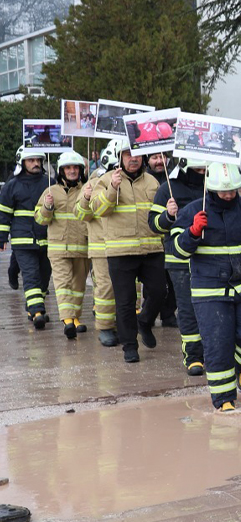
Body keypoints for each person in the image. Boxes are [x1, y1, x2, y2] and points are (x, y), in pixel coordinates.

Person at [173, 163, 241, 411]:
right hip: (210, 290)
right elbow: (177, 251)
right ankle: (224, 399)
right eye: (223, 191)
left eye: (233, 190)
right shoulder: (193, 211)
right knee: (218, 343)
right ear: (210, 188)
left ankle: (240, 368)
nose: (229, 195)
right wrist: (191, 233)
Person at [89, 145, 166, 363]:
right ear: (120, 157)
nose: (134, 159)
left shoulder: (153, 182)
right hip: (120, 251)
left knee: (160, 292)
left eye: (138, 155)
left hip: (151, 248)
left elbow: (159, 214)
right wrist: (112, 188)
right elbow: (99, 210)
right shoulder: (105, 180)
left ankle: (145, 322)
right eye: (128, 155)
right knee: (125, 301)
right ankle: (130, 346)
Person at [151, 158, 209, 376]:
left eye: (205, 168)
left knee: (213, 308)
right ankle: (193, 356)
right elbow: (153, 224)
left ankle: (215, 351)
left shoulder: (214, 185)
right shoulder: (168, 188)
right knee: (187, 309)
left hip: (211, 258)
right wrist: (167, 215)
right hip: (180, 260)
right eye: (198, 168)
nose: (202, 172)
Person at [35, 151, 89, 339]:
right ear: (61, 171)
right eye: (68, 168)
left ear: (81, 170)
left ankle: (75, 318)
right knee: (63, 285)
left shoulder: (87, 189)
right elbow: (40, 219)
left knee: (79, 286)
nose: (72, 171)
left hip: (82, 247)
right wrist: (47, 207)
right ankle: (67, 321)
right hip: (58, 249)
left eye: (75, 167)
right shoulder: (51, 191)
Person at [0, 148, 52, 330]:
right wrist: (2, 237)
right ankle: (38, 312)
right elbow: (4, 213)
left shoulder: (50, 184)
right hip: (22, 239)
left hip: (46, 238)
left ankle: (33, 305)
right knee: (31, 276)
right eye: (31, 160)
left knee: (45, 277)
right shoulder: (12, 185)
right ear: (22, 163)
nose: (36, 163)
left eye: (38, 160)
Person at [79, 141, 123, 347]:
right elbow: (80, 214)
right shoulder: (94, 181)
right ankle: (106, 327)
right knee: (105, 288)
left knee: (130, 287)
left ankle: (126, 324)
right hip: (101, 245)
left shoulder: (131, 180)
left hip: (125, 244)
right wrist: (87, 199)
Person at [144, 151, 178, 328]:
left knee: (172, 279)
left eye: (162, 157)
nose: (159, 161)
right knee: (153, 283)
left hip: (170, 238)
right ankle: (147, 314)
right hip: (148, 238)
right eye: (154, 158)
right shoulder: (143, 179)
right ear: (147, 160)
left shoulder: (174, 178)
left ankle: (168, 313)